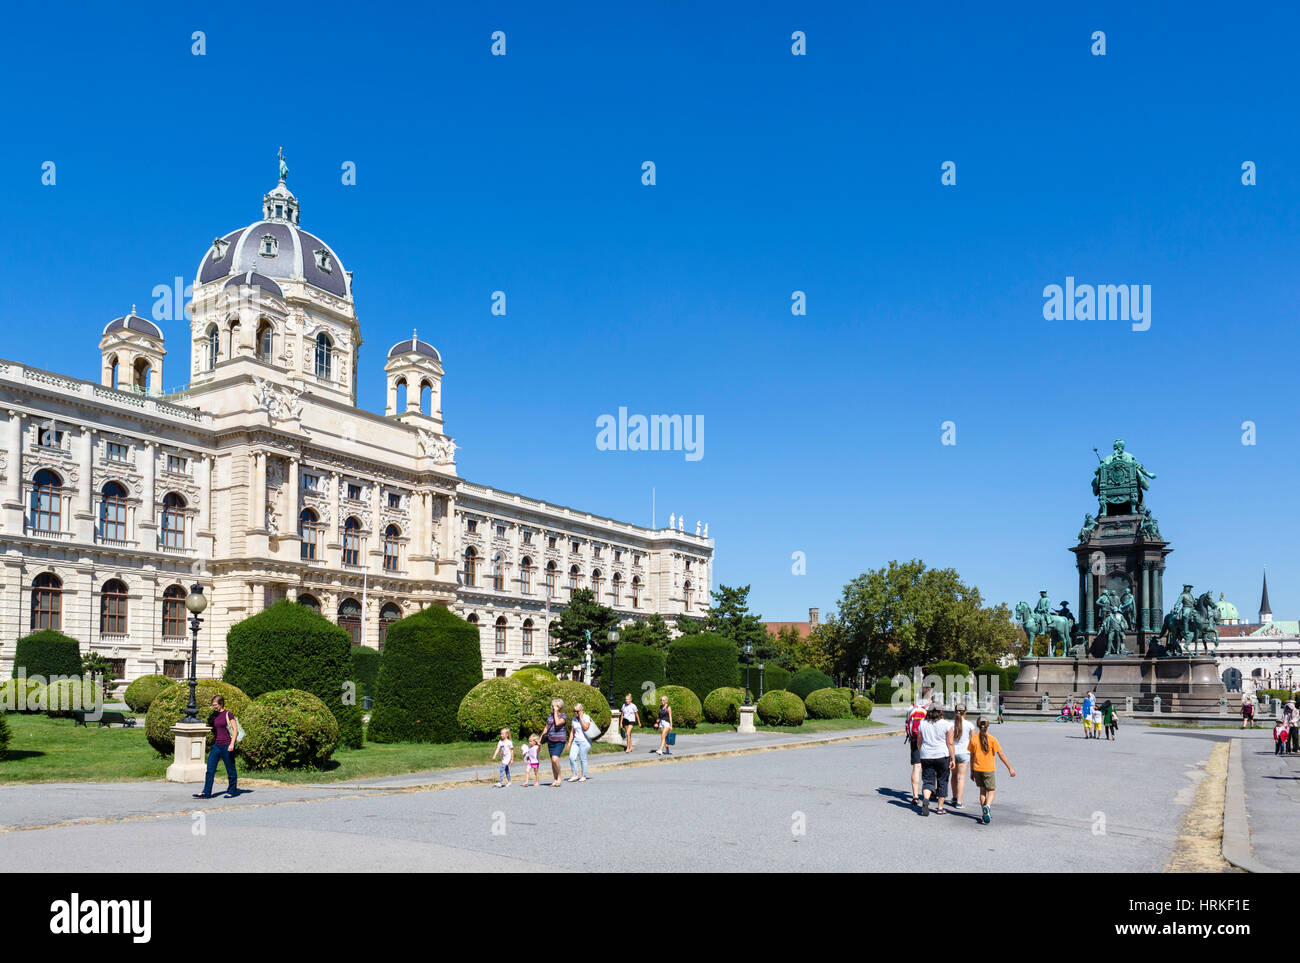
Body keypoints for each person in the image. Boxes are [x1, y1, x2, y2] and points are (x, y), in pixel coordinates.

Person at [968, 716, 1015, 824]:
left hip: (977, 769)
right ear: (988, 725)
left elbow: (971, 756)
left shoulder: (973, 739)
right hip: (988, 769)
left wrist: (971, 771)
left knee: (982, 791)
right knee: (992, 791)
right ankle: (988, 807)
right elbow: (1001, 754)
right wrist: (1010, 768)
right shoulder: (992, 739)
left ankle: (984, 813)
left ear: (978, 726)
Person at [193, 694, 239, 800]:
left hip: (227, 744)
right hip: (217, 745)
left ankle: (232, 790)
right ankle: (206, 792)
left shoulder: (228, 714)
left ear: (221, 704)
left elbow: (235, 729)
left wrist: (232, 744)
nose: (214, 707)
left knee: (230, 769)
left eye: (215, 705)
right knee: (210, 769)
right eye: (213, 705)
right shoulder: (214, 715)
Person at [916, 705, 954, 816]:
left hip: (926, 755)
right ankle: (940, 807)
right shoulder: (947, 724)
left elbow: (919, 741)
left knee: (928, 780)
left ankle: (926, 799)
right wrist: (952, 758)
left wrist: (921, 752)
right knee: (942, 780)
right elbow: (950, 743)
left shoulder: (923, 724)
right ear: (941, 711)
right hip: (942, 755)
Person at [905, 686, 933, 805]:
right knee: (932, 767)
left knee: (917, 767)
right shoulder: (931, 708)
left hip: (915, 739)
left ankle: (915, 796)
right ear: (929, 696)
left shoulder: (912, 708)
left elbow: (907, 725)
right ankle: (931, 791)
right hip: (928, 741)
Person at [565, 703, 597, 781]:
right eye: (574, 711)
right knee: (572, 757)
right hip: (576, 741)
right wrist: (569, 742)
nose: (575, 712)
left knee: (583, 759)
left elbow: (586, 728)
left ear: (581, 710)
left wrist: (581, 718)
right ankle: (575, 774)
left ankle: (583, 775)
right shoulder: (574, 719)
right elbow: (572, 732)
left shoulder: (586, 717)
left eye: (577, 711)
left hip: (585, 742)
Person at [541, 699, 568, 787]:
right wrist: (540, 738)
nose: (553, 707)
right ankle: (555, 779)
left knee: (555, 759)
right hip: (551, 740)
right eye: (553, 706)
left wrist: (556, 713)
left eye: (555, 706)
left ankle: (559, 777)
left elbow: (557, 723)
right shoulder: (550, 716)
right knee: (553, 762)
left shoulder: (563, 716)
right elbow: (546, 727)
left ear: (560, 707)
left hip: (559, 741)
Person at [949, 704, 972, 809]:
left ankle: (954, 797)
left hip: (953, 753)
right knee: (961, 777)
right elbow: (974, 741)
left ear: (955, 711)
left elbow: (948, 740)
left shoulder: (950, 724)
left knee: (953, 776)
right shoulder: (969, 725)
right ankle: (959, 801)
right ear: (965, 711)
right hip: (964, 753)